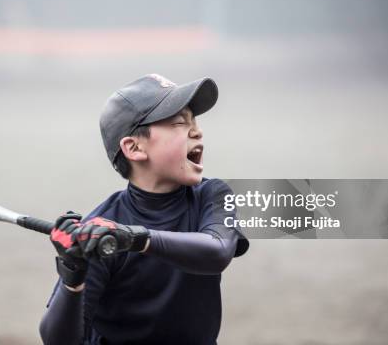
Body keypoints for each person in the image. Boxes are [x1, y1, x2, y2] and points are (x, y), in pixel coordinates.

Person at [39, 74, 249, 345]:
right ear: (134, 148)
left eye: (194, 122)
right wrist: (73, 274)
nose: (197, 131)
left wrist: (134, 238)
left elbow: (218, 251)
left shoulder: (213, 195)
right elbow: (58, 341)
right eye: (179, 123)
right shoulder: (102, 230)